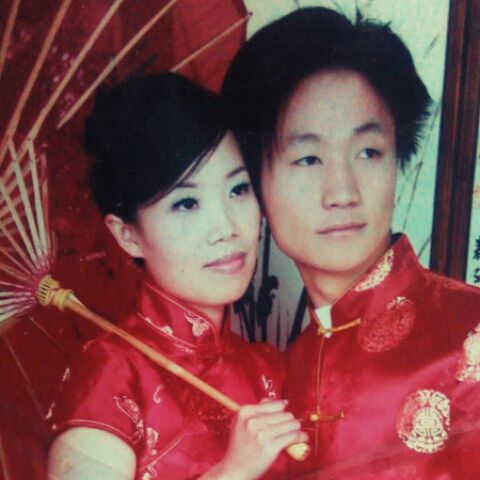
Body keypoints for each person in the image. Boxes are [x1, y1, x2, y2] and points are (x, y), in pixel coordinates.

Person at [222, 7, 480, 479]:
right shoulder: (277, 386)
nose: (342, 192)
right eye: (308, 159)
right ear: (256, 184)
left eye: (368, 152)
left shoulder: (470, 331)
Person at [47, 73, 307, 480]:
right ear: (127, 235)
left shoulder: (266, 368)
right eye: (186, 203)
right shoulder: (111, 372)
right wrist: (233, 472)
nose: (226, 227)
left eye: (238, 189)